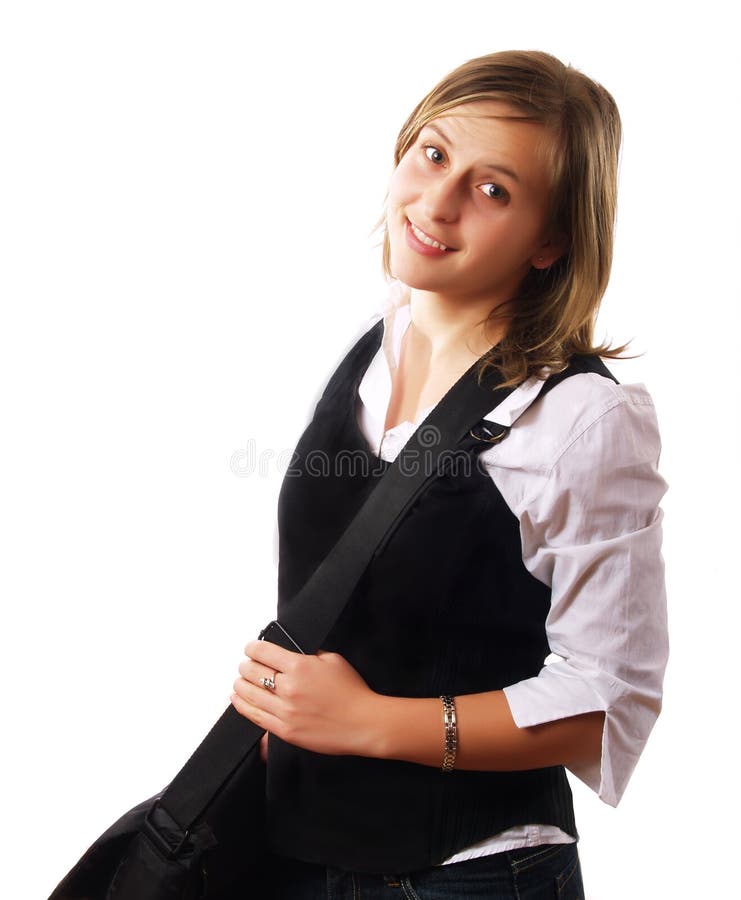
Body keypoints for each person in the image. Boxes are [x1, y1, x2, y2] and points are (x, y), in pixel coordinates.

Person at [229, 50, 668, 899]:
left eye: (492, 189)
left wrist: (367, 724)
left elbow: (603, 699)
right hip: (301, 853)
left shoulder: (581, 418)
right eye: (432, 154)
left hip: (468, 876)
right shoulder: (372, 340)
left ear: (552, 241)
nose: (435, 203)